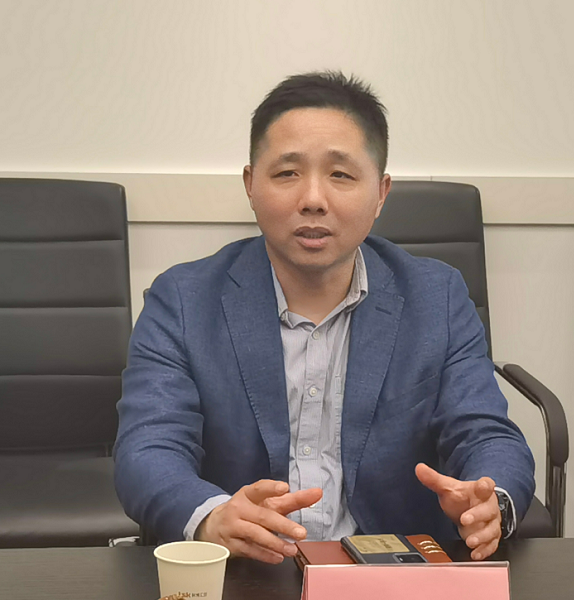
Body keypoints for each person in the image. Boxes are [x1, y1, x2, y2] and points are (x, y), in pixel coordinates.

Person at [114, 71, 535, 565]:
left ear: (381, 193)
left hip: (390, 571)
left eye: (341, 175)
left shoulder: (435, 296)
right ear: (250, 185)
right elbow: (148, 448)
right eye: (287, 173)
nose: (313, 199)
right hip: (244, 570)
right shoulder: (184, 300)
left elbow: (486, 433)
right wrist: (212, 516)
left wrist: (489, 500)